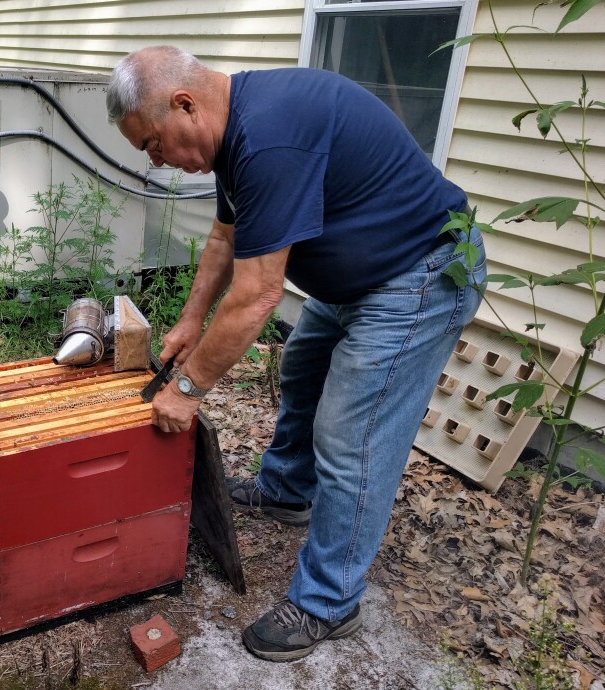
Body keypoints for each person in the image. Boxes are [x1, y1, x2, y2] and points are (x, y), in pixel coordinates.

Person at [106, 46, 486, 662]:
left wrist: (189, 388)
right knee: (304, 367)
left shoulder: (270, 139)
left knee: (351, 434)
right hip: (361, 280)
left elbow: (257, 296)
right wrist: (190, 320)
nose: (157, 161)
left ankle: (329, 602)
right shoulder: (235, 133)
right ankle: (286, 491)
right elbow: (227, 234)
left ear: (185, 105)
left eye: (153, 144)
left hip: (422, 273)